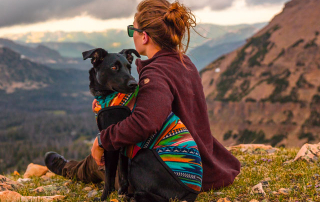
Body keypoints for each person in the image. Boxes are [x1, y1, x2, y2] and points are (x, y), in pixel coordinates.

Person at [45, 0, 240, 199]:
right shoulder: (183, 62)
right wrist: (110, 105)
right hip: (199, 159)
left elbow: (146, 121)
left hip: (171, 170)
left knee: (100, 161)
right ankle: (71, 166)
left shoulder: (156, 72)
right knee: (110, 147)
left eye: (133, 30)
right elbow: (158, 105)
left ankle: (67, 169)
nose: (133, 36)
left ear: (144, 36)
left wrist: (102, 139)